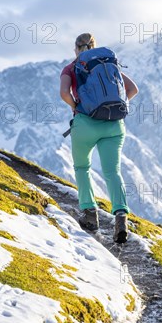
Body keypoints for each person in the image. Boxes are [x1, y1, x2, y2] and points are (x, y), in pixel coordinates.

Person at [60, 33, 139, 243]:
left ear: (76, 48)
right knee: (113, 171)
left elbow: (64, 93)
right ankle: (121, 217)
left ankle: (90, 214)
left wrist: (77, 106)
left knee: (82, 167)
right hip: (114, 124)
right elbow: (133, 89)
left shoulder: (71, 67)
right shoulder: (106, 64)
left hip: (85, 123)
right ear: (94, 46)